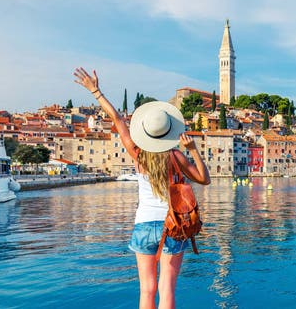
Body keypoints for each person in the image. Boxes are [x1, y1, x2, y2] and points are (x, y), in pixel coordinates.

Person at [73, 67, 210, 309]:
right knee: (167, 290)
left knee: (147, 290)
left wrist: (95, 91)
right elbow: (204, 179)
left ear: (146, 132)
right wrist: (194, 150)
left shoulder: (138, 156)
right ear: (169, 132)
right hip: (173, 225)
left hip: (144, 225)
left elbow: (117, 119)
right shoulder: (176, 156)